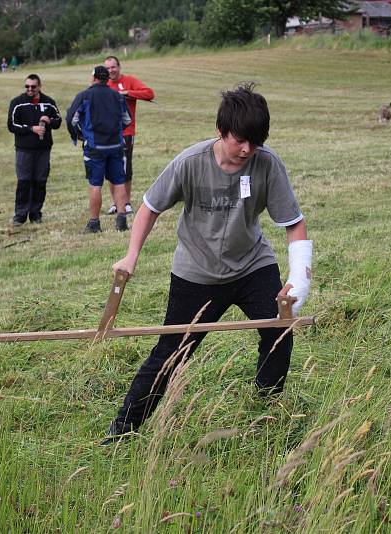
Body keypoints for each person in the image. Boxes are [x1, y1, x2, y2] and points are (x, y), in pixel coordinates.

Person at [103, 83, 312, 443]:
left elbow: (294, 223)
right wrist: (132, 253)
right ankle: (122, 430)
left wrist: (299, 279)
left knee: (279, 330)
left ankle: (266, 407)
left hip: (251, 266)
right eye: (240, 140)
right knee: (172, 352)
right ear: (221, 131)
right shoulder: (190, 163)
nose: (248, 149)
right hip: (196, 273)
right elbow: (150, 207)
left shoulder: (266, 164)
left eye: (256, 141)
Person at [66, 65, 131, 233]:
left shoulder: (84, 95)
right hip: (116, 145)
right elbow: (127, 120)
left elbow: (70, 119)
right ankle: (121, 219)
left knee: (95, 184)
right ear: (107, 78)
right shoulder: (117, 96)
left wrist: (78, 135)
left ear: (94, 77)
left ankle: (94, 223)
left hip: (95, 147)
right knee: (118, 181)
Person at [7, 74, 62, 225]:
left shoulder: (49, 103)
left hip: (43, 149)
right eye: (27, 86)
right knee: (24, 181)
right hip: (24, 149)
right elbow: (11, 125)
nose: (30, 89)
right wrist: (32, 129)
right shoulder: (17, 103)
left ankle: (36, 213)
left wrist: (49, 121)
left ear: (39, 86)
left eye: (33, 86)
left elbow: (58, 121)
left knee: (40, 181)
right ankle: (20, 215)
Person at [104, 55, 155, 216]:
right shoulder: (103, 84)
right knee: (110, 168)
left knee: (125, 169)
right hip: (107, 134)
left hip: (126, 132)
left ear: (119, 67)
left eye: (113, 67)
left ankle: (125, 203)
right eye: (108, 68)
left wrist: (127, 92)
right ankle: (115, 203)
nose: (111, 70)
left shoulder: (129, 80)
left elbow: (149, 93)